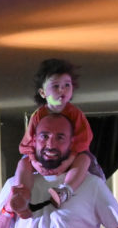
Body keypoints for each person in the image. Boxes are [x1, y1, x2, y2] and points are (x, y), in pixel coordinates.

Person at [9, 58, 101, 217]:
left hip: (73, 154)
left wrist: (68, 161)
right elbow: (29, 143)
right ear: (43, 93)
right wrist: (35, 162)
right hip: (41, 156)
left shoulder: (75, 114)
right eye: (56, 86)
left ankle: (65, 191)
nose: (62, 90)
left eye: (67, 85)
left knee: (85, 159)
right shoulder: (38, 116)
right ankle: (22, 196)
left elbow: (82, 141)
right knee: (23, 163)